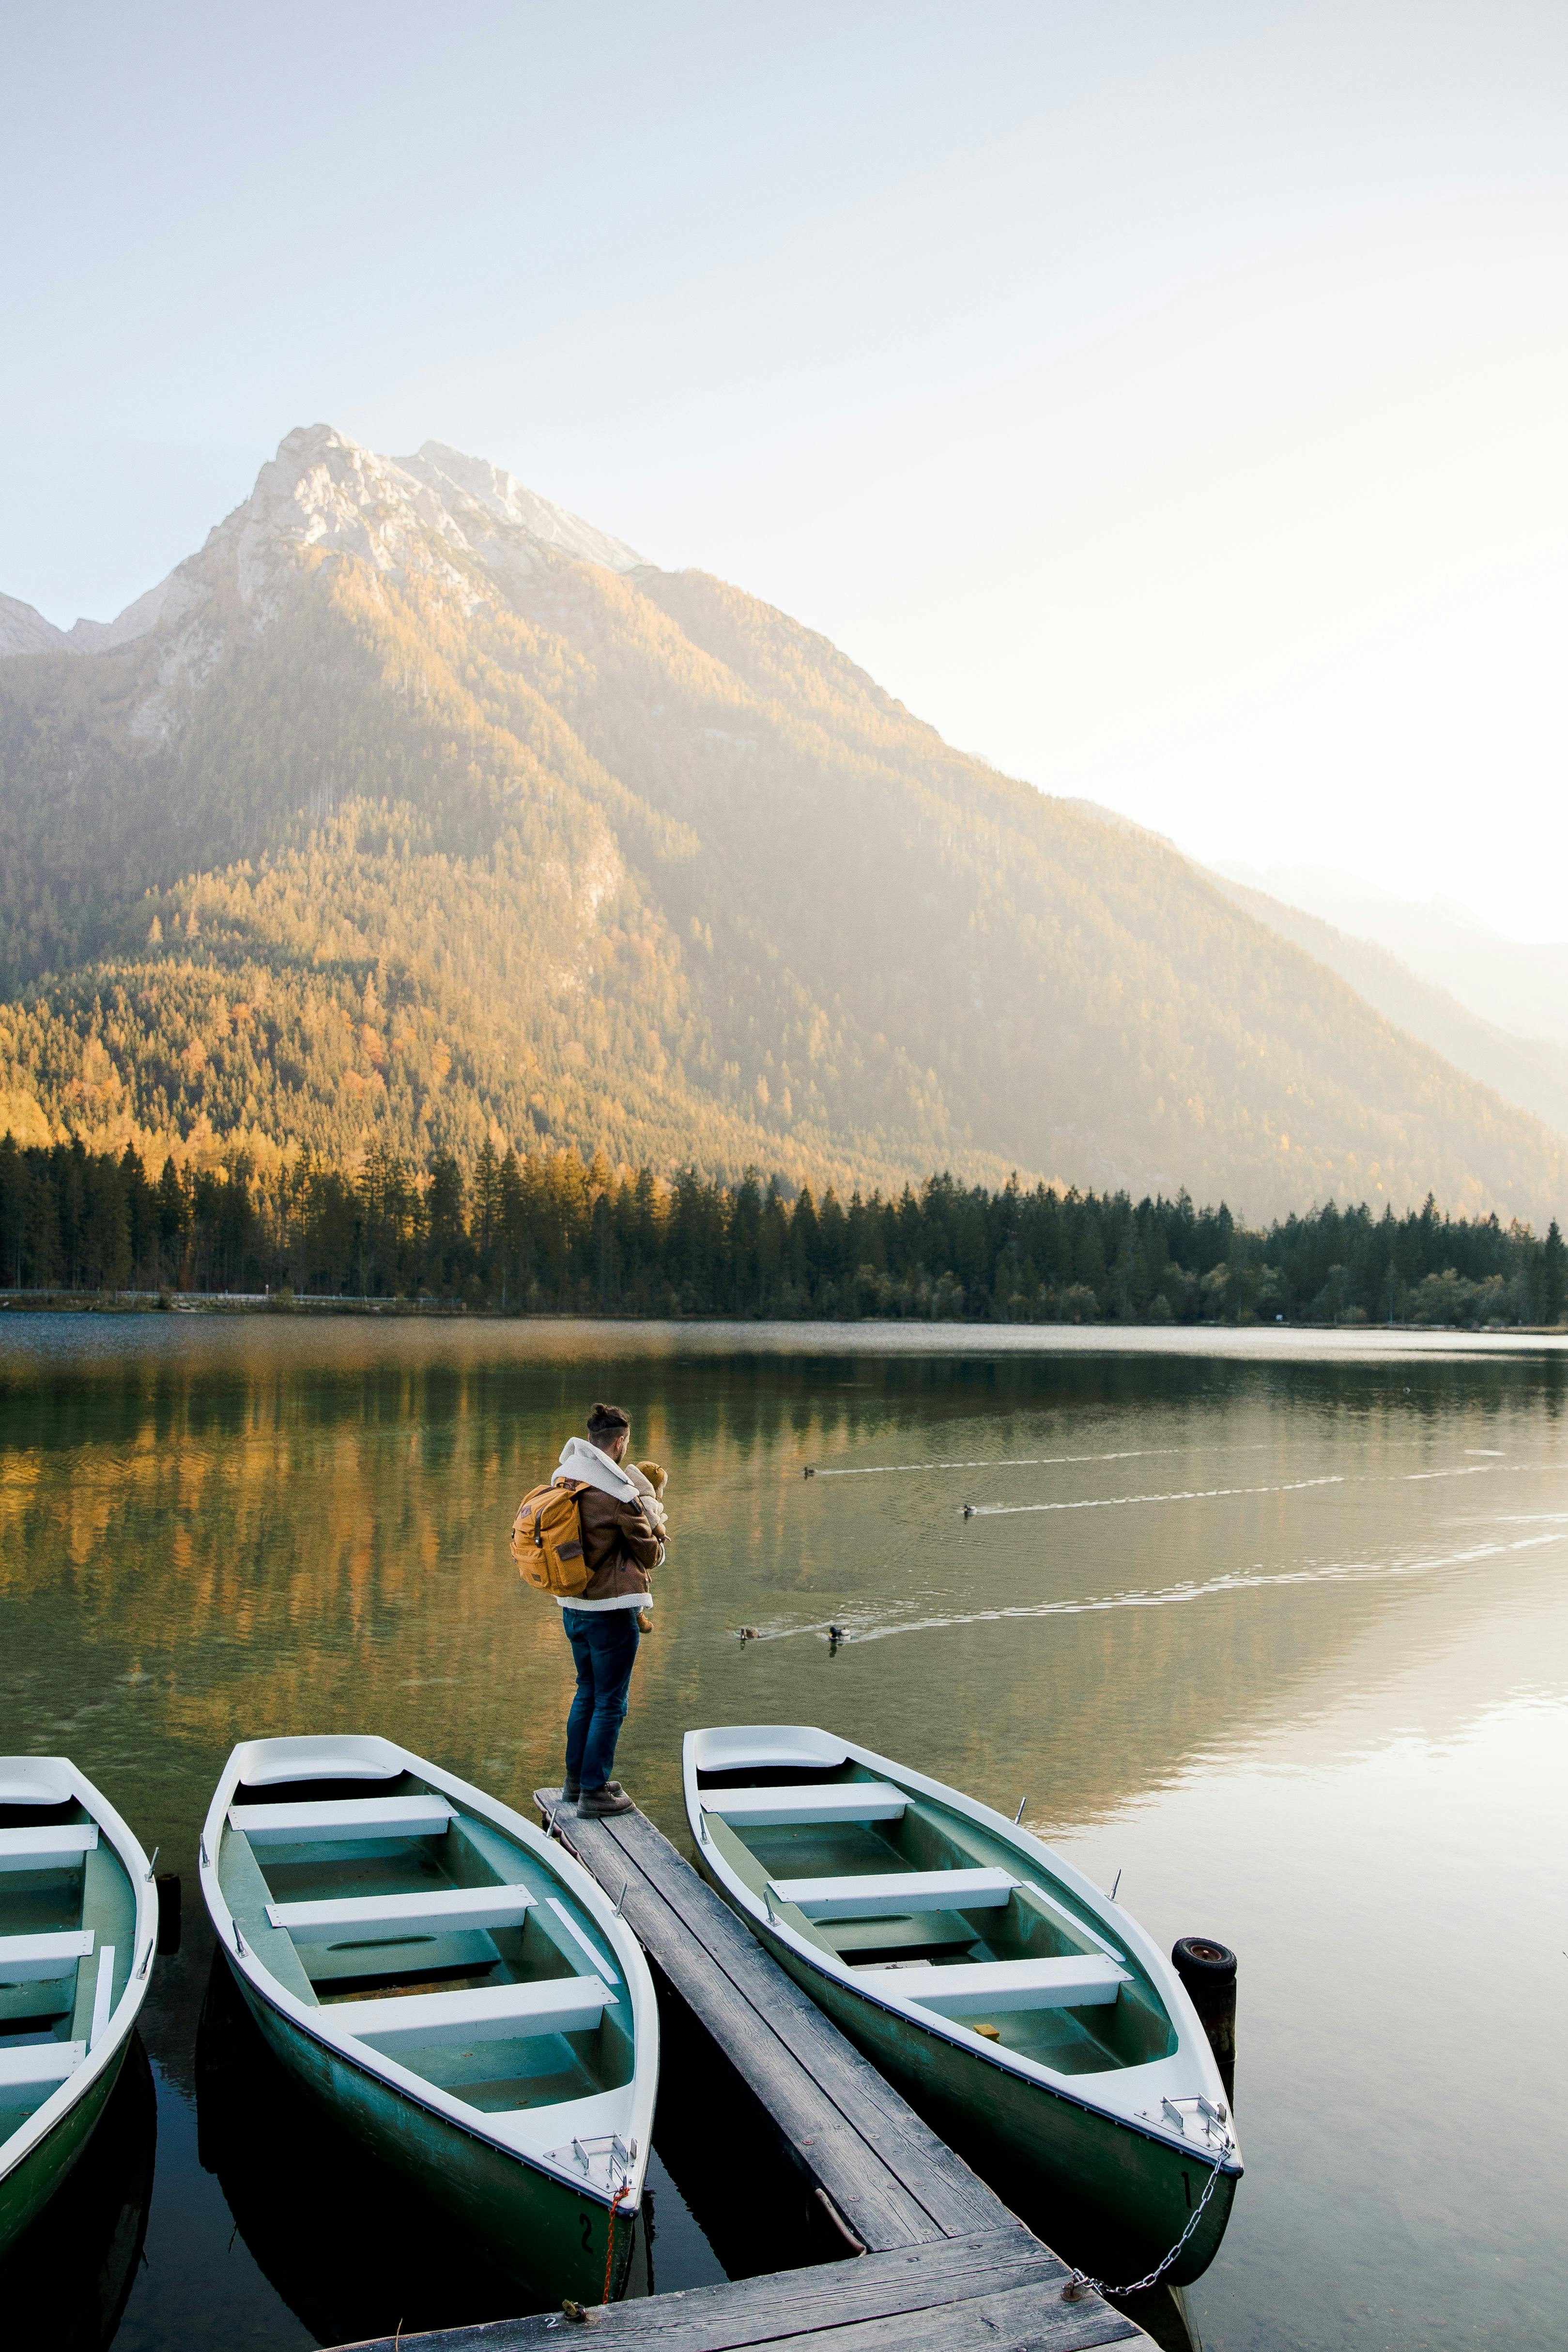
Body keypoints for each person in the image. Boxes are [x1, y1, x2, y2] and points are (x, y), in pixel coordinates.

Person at [553, 1402, 665, 1815]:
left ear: (590, 1439)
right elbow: (649, 1556)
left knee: (587, 1691)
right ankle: (595, 1792)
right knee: (611, 1702)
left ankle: (576, 1781)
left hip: (572, 1605)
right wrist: (657, 1536)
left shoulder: (565, 1477)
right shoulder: (619, 1492)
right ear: (619, 1443)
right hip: (612, 1610)